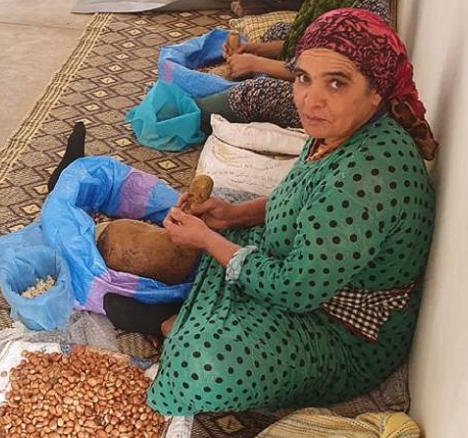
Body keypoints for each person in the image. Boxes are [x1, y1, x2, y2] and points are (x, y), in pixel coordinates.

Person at [138, 8, 438, 415]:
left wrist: (209, 241)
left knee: (204, 365)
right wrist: (231, 216)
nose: (310, 100)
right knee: (219, 216)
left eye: (336, 82)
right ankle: (186, 317)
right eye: (303, 78)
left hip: (343, 332)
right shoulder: (341, 129)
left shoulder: (367, 176)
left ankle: (185, 325)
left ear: (376, 91)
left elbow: (295, 290)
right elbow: (295, 201)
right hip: (306, 277)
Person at [197, 0, 389, 129]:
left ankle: (189, 112)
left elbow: (325, 70)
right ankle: (241, 72)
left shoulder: (368, 10)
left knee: (261, 92)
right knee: (279, 31)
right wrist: (254, 49)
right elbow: (307, 43)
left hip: (341, 101)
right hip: (320, 76)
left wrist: (258, 64)